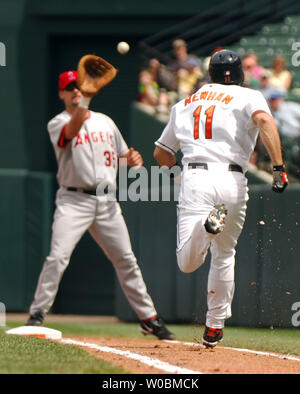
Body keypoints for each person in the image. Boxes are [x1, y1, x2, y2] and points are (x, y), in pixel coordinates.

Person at [25, 70, 175, 341]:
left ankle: (149, 318)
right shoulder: (58, 122)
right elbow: (70, 134)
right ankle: (38, 313)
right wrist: (85, 104)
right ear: (61, 93)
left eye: (78, 87)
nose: (75, 91)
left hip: (106, 200)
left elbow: (119, 156)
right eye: (69, 88)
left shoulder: (105, 122)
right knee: (57, 257)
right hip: (74, 200)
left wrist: (129, 160)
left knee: (126, 259)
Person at [153, 49, 288, 348]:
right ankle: (214, 326)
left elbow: (161, 152)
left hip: (196, 176)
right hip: (234, 178)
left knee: (188, 263)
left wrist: (176, 173)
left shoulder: (185, 103)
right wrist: (278, 168)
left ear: (210, 74)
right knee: (225, 253)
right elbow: (265, 122)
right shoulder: (249, 96)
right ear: (239, 74)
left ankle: (205, 228)